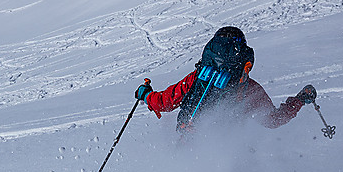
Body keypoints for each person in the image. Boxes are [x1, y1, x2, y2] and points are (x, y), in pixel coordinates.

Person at [135, 26, 317, 132]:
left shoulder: (198, 78)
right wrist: (300, 100)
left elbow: (163, 103)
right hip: (227, 157)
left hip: (188, 144)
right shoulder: (247, 87)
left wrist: (145, 94)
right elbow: (273, 120)